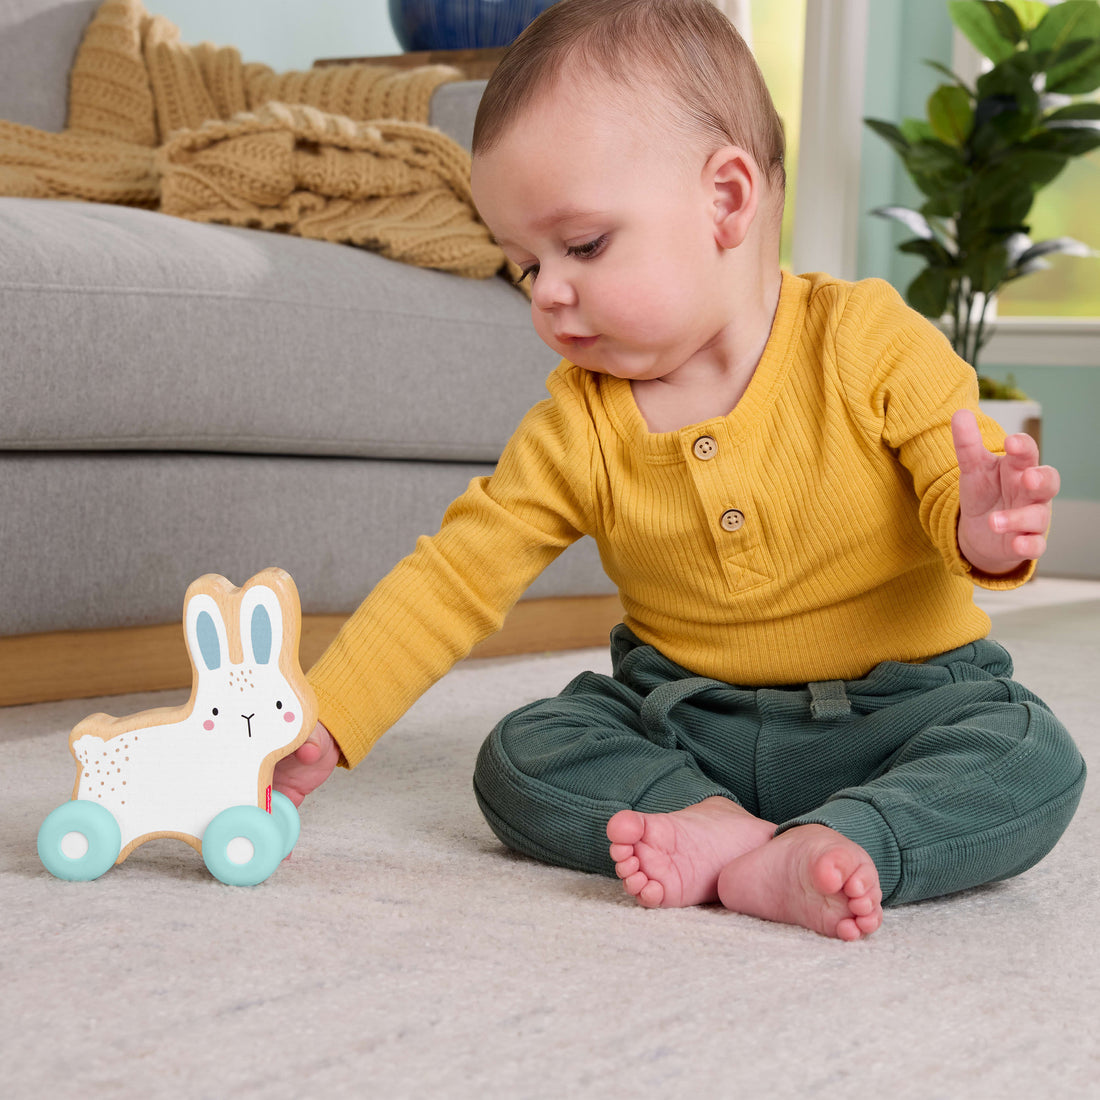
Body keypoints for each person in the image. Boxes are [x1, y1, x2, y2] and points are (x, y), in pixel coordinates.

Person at [275, 0, 1085, 940]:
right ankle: (713, 829)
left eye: (581, 246)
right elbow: (458, 576)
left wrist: (978, 527)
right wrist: (329, 716)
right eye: (525, 265)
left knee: (1032, 755)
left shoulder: (867, 341)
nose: (551, 293)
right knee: (522, 754)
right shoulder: (577, 422)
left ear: (727, 201)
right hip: (688, 721)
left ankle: (850, 838)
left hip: (905, 709)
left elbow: (953, 473)